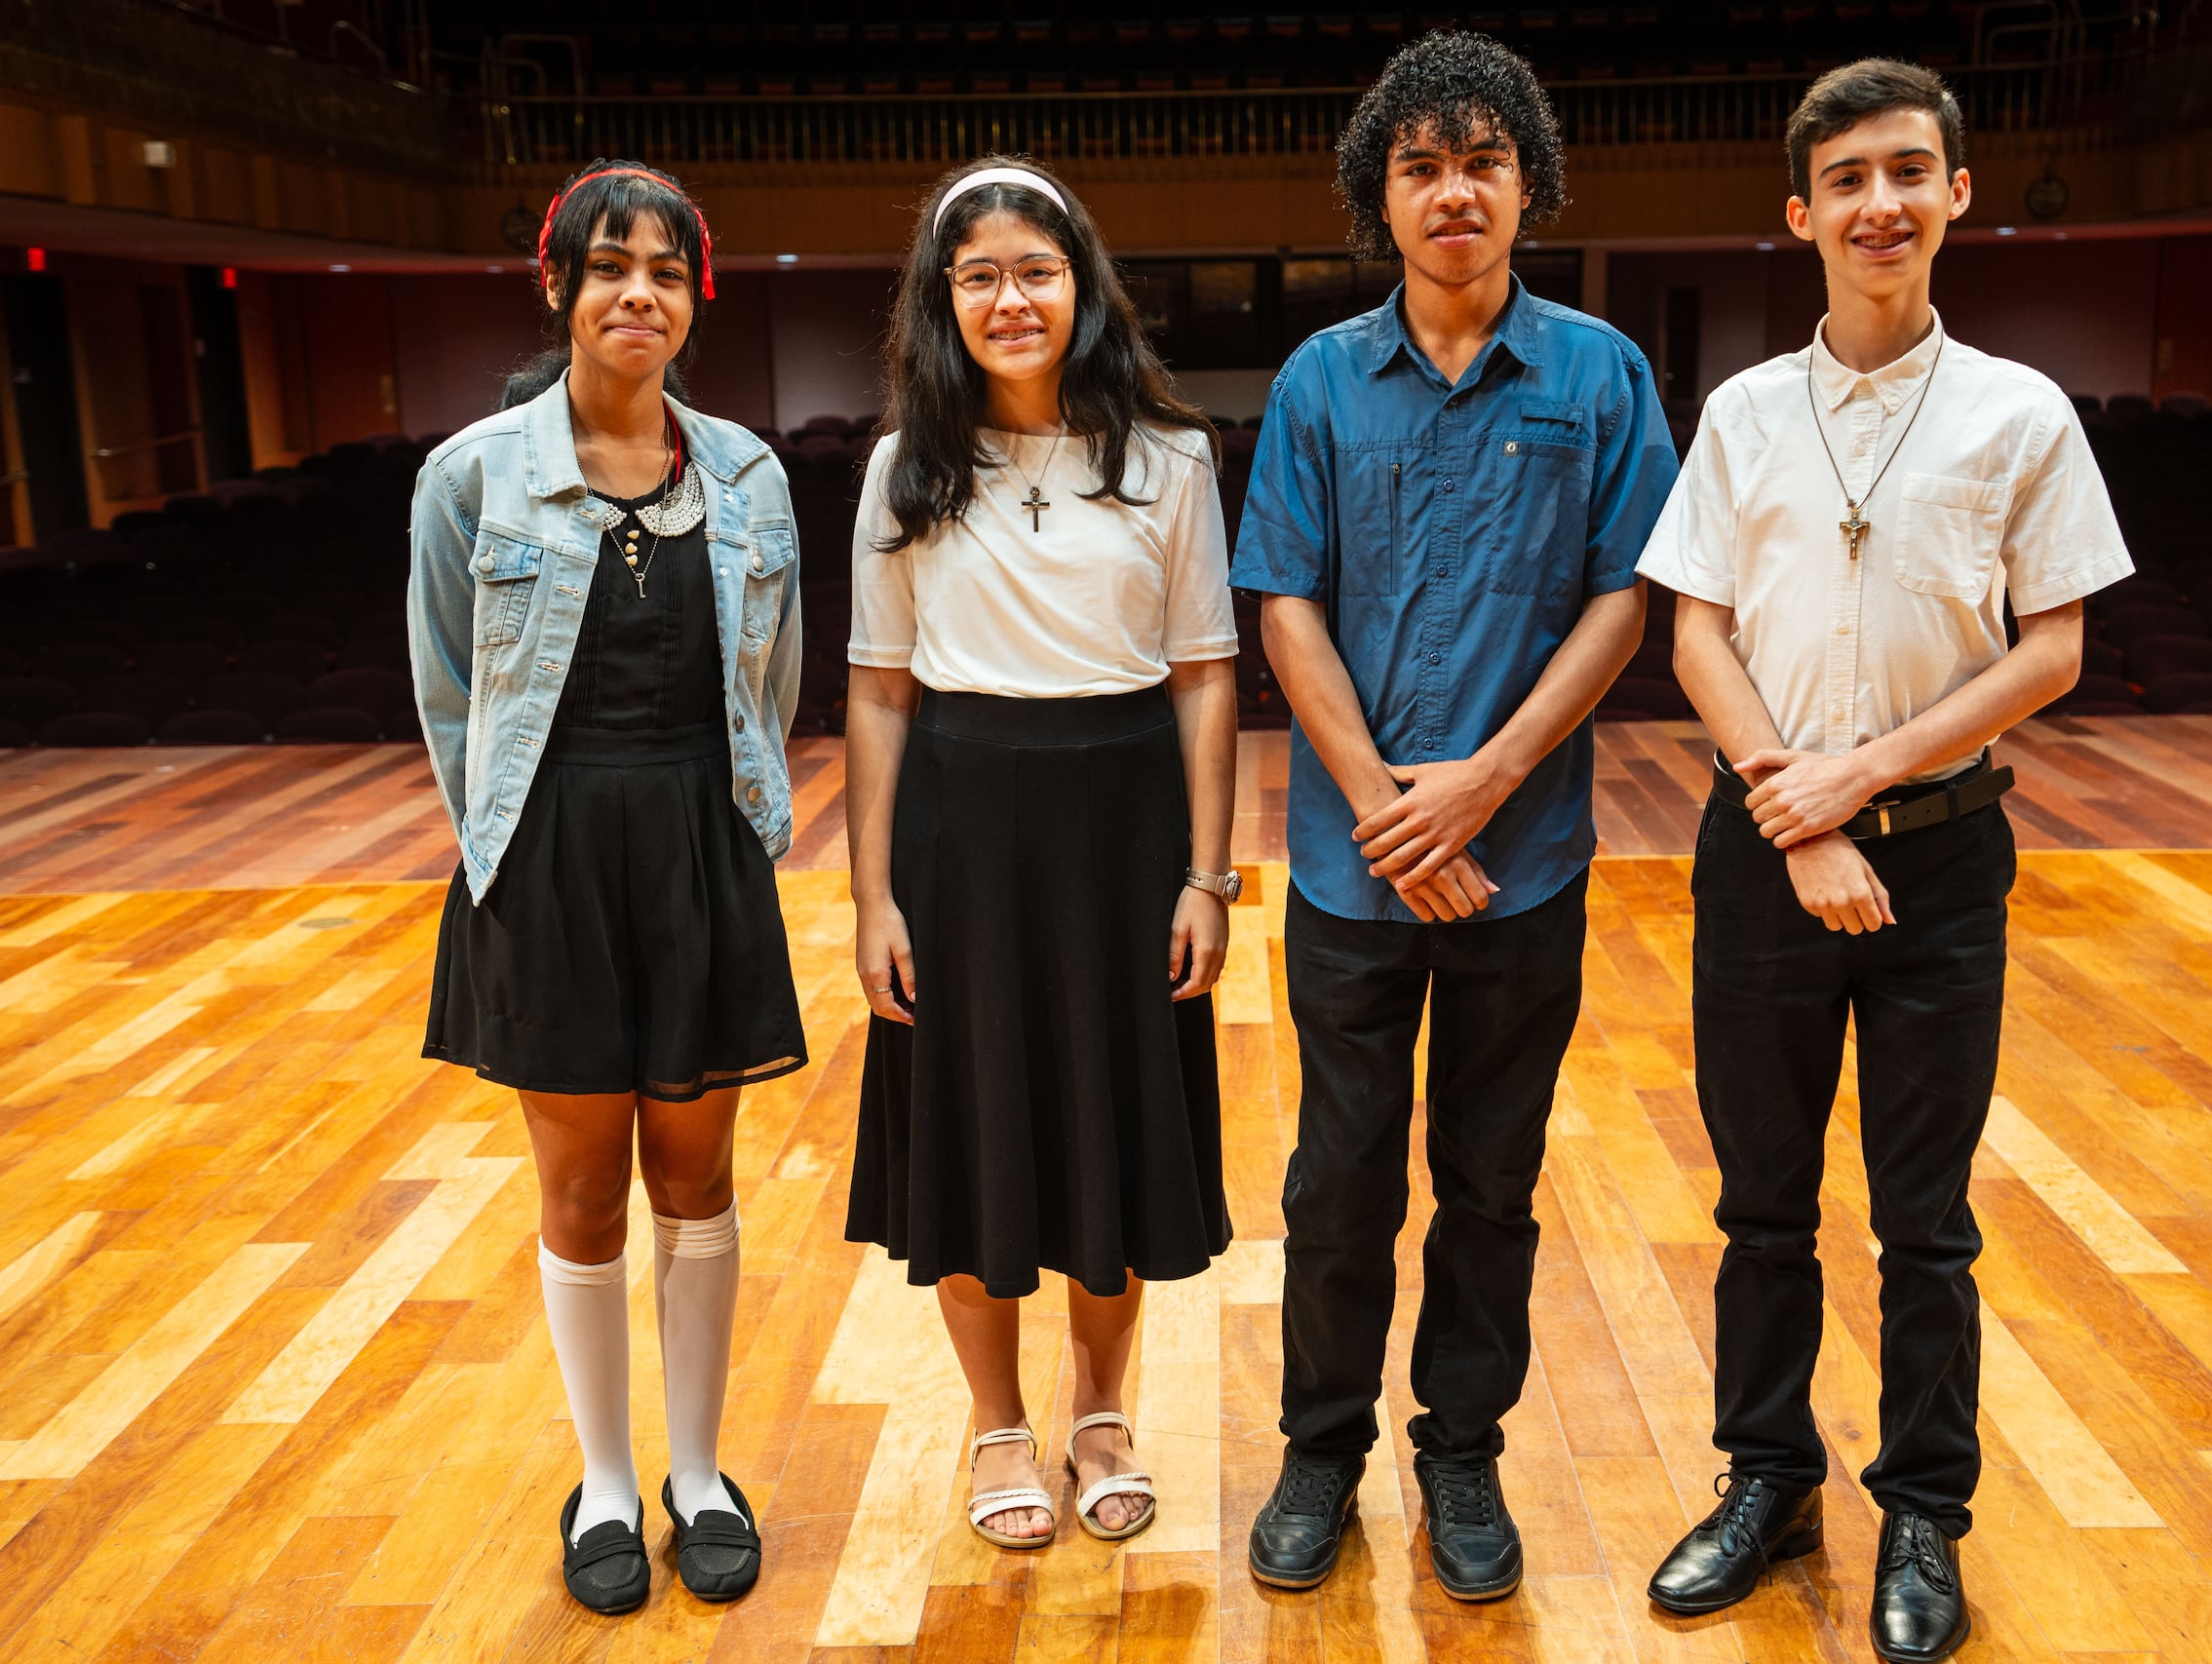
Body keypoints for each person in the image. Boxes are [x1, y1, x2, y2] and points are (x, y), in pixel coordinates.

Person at [1638, 60, 2129, 1663]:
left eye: (1909, 171)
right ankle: (1768, 1481)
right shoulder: (1741, 413)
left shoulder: (2020, 412)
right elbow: (1695, 633)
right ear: (1800, 213)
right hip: (1763, 856)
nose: (1880, 204)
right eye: (1846, 179)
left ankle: (1924, 1511)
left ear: (1957, 191)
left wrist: (1861, 778)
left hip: (1945, 862)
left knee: (1927, 1221)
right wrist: (1802, 816)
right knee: (1762, 1209)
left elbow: (2051, 650)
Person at [1228, 31, 1676, 1603]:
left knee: (1492, 1180)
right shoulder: (1317, 380)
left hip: (1523, 861)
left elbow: (1626, 600)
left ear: (1528, 182)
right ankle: (1321, 1451)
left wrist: (1481, 783)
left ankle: (1462, 1452)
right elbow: (1284, 601)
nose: (1454, 191)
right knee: (1336, 1184)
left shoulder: (1603, 375)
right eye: (1421, 167)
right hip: (1355, 873)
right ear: (1383, 200)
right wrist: (1383, 808)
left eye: (1483, 161)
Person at [410, 160, 800, 1614]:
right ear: (560, 286)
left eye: (665, 272)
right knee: (580, 1189)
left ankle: (699, 1474)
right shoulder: (468, 478)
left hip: (701, 845)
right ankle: (609, 1485)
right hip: (550, 856)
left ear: (695, 296)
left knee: (698, 1179)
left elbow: (775, 678)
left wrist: (742, 824)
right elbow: (451, 700)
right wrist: (504, 855)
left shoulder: (748, 476)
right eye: (609, 268)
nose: (639, 294)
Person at [844, 157, 1240, 1551]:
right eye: (979, 276)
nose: (1011, 300)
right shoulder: (905, 466)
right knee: (973, 1129)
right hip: (962, 831)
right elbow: (878, 692)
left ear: (1084, 288)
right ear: (942, 300)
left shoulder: (1171, 455)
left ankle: (1102, 1411)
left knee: (1109, 1126)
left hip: (1123, 829)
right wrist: (873, 896)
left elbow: (1206, 674)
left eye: (1036, 271)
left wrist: (1208, 874)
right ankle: (998, 1422)